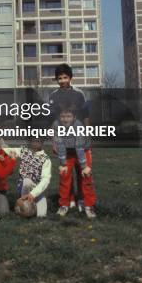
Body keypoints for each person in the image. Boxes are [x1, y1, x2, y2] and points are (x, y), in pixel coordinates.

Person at [49, 63, 89, 212]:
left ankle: (82, 199)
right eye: (59, 78)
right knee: (66, 171)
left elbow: (85, 116)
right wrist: (53, 141)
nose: (62, 80)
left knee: (81, 171)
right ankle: (68, 200)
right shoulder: (53, 95)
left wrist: (87, 135)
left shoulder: (79, 94)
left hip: (78, 138)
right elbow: (52, 120)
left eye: (65, 77)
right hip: (62, 140)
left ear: (70, 78)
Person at [52, 108, 97, 219]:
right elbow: (60, 145)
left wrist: (84, 166)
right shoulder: (56, 125)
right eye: (63, 116)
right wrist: (63, 164)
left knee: (86, 176)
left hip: (82, 151)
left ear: (74, 117)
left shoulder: (78, 125)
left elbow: (79, 146)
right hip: (67, 152)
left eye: (68, 116)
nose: (65, 119)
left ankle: (88, 205)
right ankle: (64, 204)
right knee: (64, 176)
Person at [3, 139, 51, 218]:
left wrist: (33, 194)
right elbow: (9, 150)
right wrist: (0, 146)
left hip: (37, 188)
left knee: (42, 215)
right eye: (33, 141)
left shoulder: (46, 159)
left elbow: (45, 180)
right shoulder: (24, 150)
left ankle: (32, 204)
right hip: (24, 186)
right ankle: (23, 203)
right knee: (27, 181)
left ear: (42, 142)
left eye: (38, 141)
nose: (35, 143)